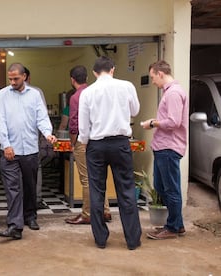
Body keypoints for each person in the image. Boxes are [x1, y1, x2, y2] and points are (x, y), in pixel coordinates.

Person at [78, 56, 141, 250]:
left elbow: (83, 126)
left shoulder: (87, 92)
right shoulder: (127, 86)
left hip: (96, 145)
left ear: (95, 73)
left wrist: (85, 143)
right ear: (112, 69)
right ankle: (131, 239)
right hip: (121, 143)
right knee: (126, 190)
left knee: (97, 191)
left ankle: (101, 239)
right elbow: (135, 111)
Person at [0, 63, 56, 240]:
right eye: (10, 79)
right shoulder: (3, 95)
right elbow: (1, 121)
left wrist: (48, 134)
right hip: (10, 150)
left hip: (30, 149)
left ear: (24, 77)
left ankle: (30, 216)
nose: (12, 82)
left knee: (30, 186)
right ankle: (15, 225)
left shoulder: (35, 95)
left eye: (16, 79)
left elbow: (41, 117)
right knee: (12, 188)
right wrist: (6, 145)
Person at [141, 60, 188, 240]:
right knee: (161, 186)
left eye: (153, 77)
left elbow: (173, 122)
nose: (153, 81)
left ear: (161, 73)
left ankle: (173, 227)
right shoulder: (169, 92)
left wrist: (152, 123)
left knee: (170, 189)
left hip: (169, 147)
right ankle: (178, 224)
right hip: (163, 146)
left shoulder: (174, 93)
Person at [64, 65, 112, 225]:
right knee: (99, 177)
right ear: (87, 77)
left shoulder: (76, 97)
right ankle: (105, 211)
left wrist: (72, 143)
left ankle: (87, 213)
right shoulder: (95, 92)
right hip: (98, 140)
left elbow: (73, 123)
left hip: (82, 141)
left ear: (72, 79)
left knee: (86, 179)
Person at [24, 66, 49, 210]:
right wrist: (44, 135)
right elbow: (43, 116)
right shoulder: (37, 92)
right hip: (33, 136)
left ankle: (23, 200)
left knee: (19, 169)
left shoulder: (7, 93)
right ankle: (36, 199)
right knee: (36, 167)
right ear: (28, 76)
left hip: (19, 139)